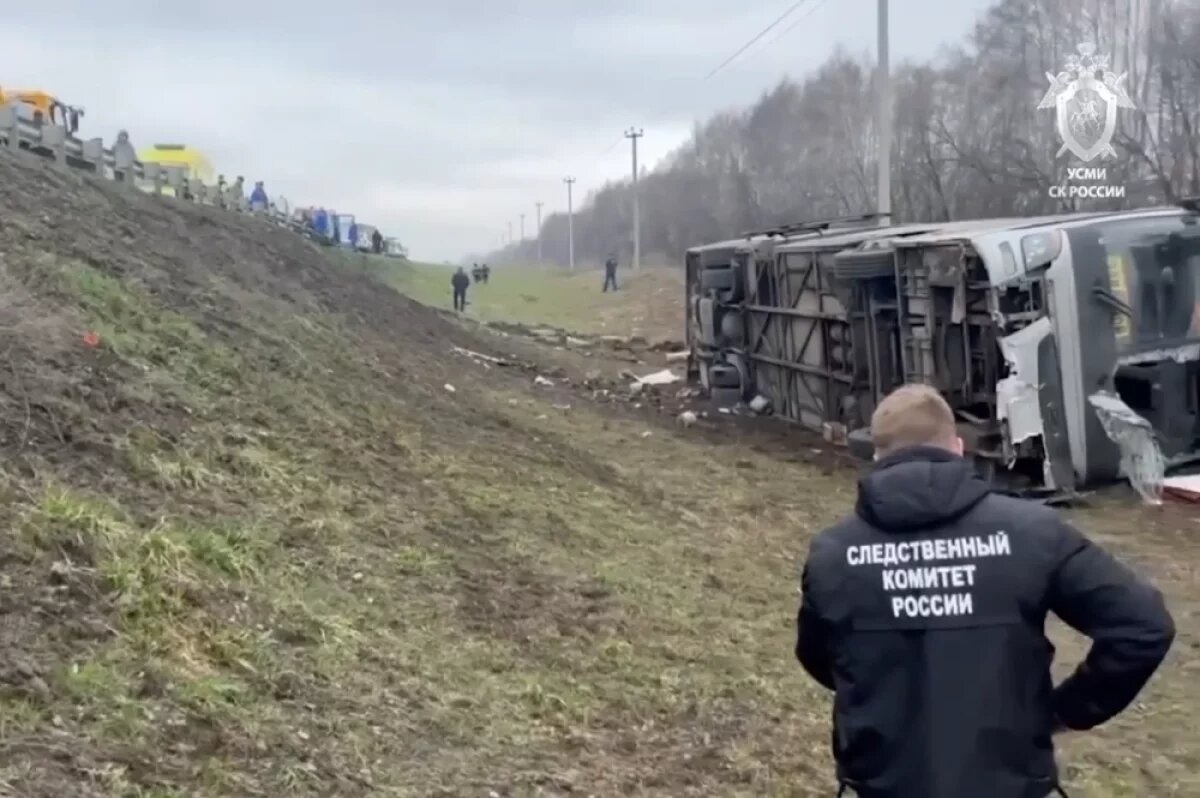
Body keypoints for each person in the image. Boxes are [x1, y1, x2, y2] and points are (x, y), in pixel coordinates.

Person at [795, 383, 1174, 798]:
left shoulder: (834, 554)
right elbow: (1143, 625)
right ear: (957, 448)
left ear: (877, 456)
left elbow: (819, 656)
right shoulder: (1032, 533)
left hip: (884, 780)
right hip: (1008, 781)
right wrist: (1066, 710)